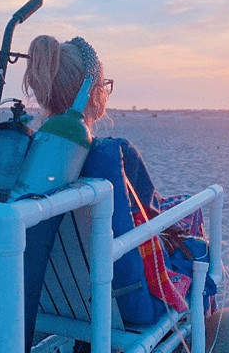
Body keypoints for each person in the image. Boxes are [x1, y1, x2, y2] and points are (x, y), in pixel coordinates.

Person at [23, 34, 214, 323]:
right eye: (104, 85)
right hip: (122, 301)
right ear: (91, 92)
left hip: (47, 296)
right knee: (198, 244)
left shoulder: (24, 154)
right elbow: (146, 216)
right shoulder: (109, 157)